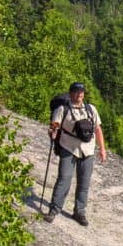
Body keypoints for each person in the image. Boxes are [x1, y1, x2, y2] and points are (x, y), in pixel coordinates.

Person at [46, 82, 107, 226]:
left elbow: (97, 129)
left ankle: (79, 212)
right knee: (64, 179)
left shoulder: (91, 109)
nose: (80, 94)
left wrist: (102, 149)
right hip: (68, 148)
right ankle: (54, 210)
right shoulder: (62, 109)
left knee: (84, 183)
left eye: (82, 92)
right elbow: (54, 125)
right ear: (71, 93)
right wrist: (53, 132)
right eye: (77, 91)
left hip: (88, 150)